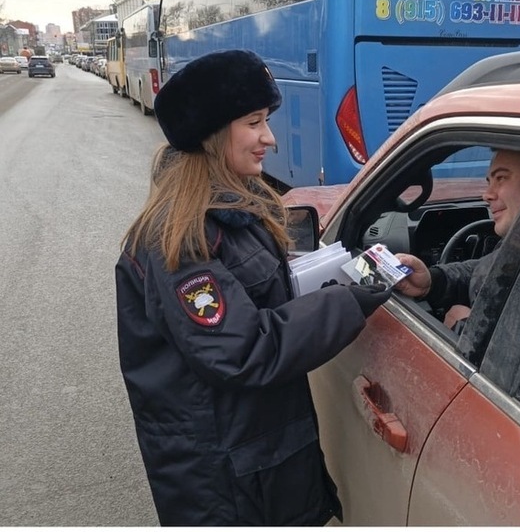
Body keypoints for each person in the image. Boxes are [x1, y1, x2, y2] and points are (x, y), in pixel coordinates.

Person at [115, 49, 391, 526]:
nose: (269, 138)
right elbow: (242, 351)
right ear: (213, 133)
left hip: (255, 457)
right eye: (254, 122)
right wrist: (354, 296)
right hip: (228, 484)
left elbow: (262, 301)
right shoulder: (179, 238)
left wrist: (357, 274)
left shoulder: (230, 212)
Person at [395, 149, 520, 331]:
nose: (486, 195)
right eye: (489, 182)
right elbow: (489, 271)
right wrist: (434, 281)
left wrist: (466, 327)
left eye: (501, 178)